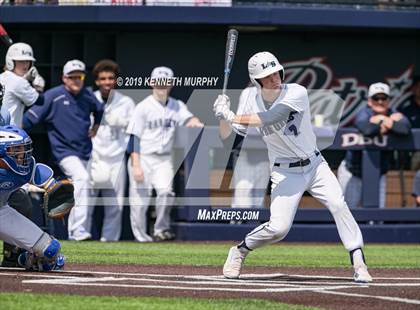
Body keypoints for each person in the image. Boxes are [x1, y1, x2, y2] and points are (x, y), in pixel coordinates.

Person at [214, 51, 372, 283]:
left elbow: (270, 117)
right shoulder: (249, 97)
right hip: (284, 172)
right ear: (257, 81)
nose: (275, 78)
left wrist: (232, 115)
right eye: (267, 76)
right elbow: (228, 136)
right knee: (279, 228)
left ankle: (359, 262)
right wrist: (222, 115)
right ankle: (239, 251)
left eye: (276, 72)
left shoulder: (297, 91)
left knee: (338, 204)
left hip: (315, 165)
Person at [22, 59, 103, 241]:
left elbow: (100, 110)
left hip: (85, 151)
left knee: (85, 186)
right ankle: (77, 230)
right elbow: (28, 120)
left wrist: (96, 125)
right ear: (64, 78)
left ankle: (78, 231)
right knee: (83, 178)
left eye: (79, 76)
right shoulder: (53, 96)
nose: (76, 80)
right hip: (64, 152)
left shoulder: (88, 96)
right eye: (72, 77)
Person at [127, 66, 203, 242]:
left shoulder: (177, 105)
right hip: (142, 157)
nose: (162, 85)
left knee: (166, 193)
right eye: (159, 81)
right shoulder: (143, 107)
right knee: (139, 201)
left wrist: (195, 121)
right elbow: (133, 138)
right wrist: (136, 165)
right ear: (151, 83)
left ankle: (160, 229)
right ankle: (141, 237)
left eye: (166, 82)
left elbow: (189, 118)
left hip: (164, 159)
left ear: (171, 84)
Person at [0, 42, 45, 266]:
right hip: (7, 153)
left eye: (27, 62)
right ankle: (11, 255)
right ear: (10, 62)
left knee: (18, 203)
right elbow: (38, 100)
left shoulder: (5, 82)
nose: (25, 65)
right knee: (19, 203)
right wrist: (36, 85)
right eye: (20, 62)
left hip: (9, 151)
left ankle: (10, 255)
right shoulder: (16, 82)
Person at [0, 124, 65, 271]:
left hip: (1, 213)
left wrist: (56, 192)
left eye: (23, 149)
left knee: (50, 250)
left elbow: (46, 180)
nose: (22, 154)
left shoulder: (24, 168)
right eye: (16, 149)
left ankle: (31, 259)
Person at [338, 83, 411, 209]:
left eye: (384, 98)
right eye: (376, 98)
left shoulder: (393, 112)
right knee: (348, 212)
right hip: (352, 172)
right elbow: (367, 129)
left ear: (389, 100)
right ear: (370, 101)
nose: (380, 101)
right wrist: (388, 122)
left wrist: (381, 120)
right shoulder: (363, 113)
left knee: (376, 216)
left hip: (378, 172)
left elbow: (405, 128)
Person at [89, 59, 135, 242]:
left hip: (116, 157)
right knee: (86, 202)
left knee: (115, 206)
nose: (107, 82)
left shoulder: (127, 102)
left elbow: (134, 130)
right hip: (93, 156)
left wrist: (121, 122)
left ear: (115, 80)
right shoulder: (88, 99)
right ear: (97, 81)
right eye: (103, 78)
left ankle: (109, 241)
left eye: (110, 78)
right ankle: (78, 236)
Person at [230, 86, 270, 209]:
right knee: (243, 194)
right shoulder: (249, 92)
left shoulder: (282, 94)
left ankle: (253, 227)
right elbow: (240, 120)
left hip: (266, 152)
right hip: (246, 151)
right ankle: (237, 227)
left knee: (258, 199)